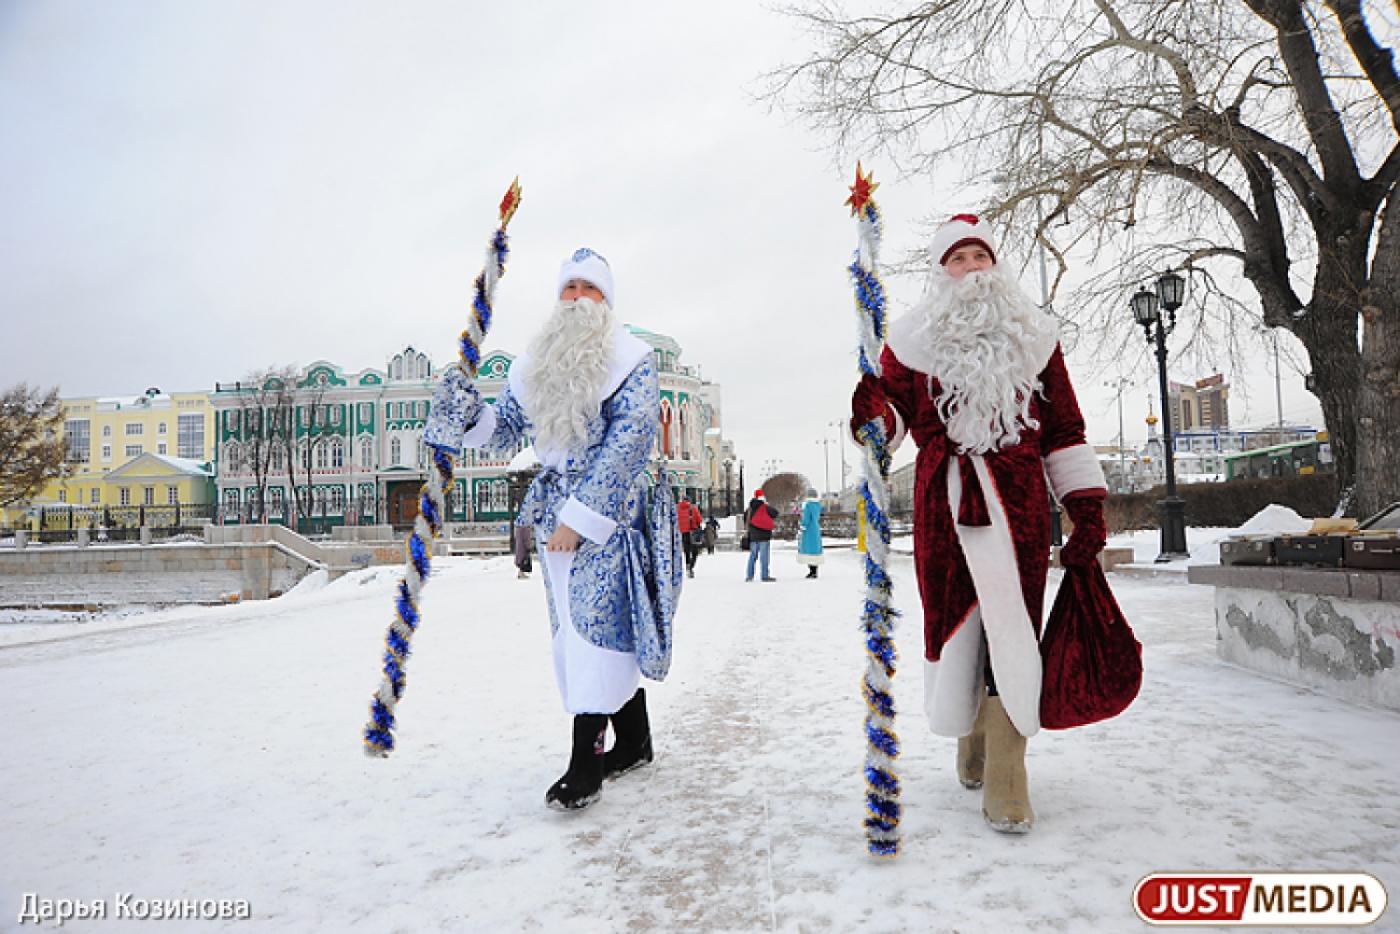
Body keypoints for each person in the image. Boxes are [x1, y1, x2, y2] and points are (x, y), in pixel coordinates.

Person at [850, 214, 1108, 834]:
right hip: (944, 503)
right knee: (956, 625)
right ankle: (972, 734)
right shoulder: (909, 341)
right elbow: (893, 418)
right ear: (941, 271)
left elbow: (1065, 429)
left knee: (1012, 629)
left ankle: (1008, 771)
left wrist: (1084, 508)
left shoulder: (1034, 337)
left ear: (996, 264)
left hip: (1019, 506)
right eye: (958, 259)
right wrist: (874, 412)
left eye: (980, 256)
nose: (971, 269)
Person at [425, 246, 674, 811]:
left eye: (590, 288)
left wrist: (579, 521)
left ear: (607, 299)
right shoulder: (534, 364)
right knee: (579, 631)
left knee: (593, 633)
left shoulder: (632, 359)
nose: (578, 298)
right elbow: (504, 432)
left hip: (607, 518)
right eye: (570, 288)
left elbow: (629, 443)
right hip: (553, 511)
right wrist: (466, 411)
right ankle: (634, 740)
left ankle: (586, 764)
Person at [744, 489, 778, 582]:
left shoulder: (750, 509)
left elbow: (746, 520)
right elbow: (775, 513)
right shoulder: (765, 507)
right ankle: (764, 576)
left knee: (752, 556)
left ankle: (749, 576)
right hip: (764, 536)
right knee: (764, 557)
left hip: (753, 536)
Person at [796, 488, 824, 579]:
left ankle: (811, 571)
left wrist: (802, 526)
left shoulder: (808, 505)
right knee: (815, 550)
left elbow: (806, 518)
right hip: (816, 529)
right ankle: (815, 571)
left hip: (809, 530)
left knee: (809, 550)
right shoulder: (818, 505)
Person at [677, 495, 703, 578]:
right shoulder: (693, 508)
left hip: (683, 533)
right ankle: (691, 566)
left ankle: (688, 565)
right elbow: (699, 520)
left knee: (687, 551)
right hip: (693, 532)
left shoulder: (677, 509)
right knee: (695, 551)